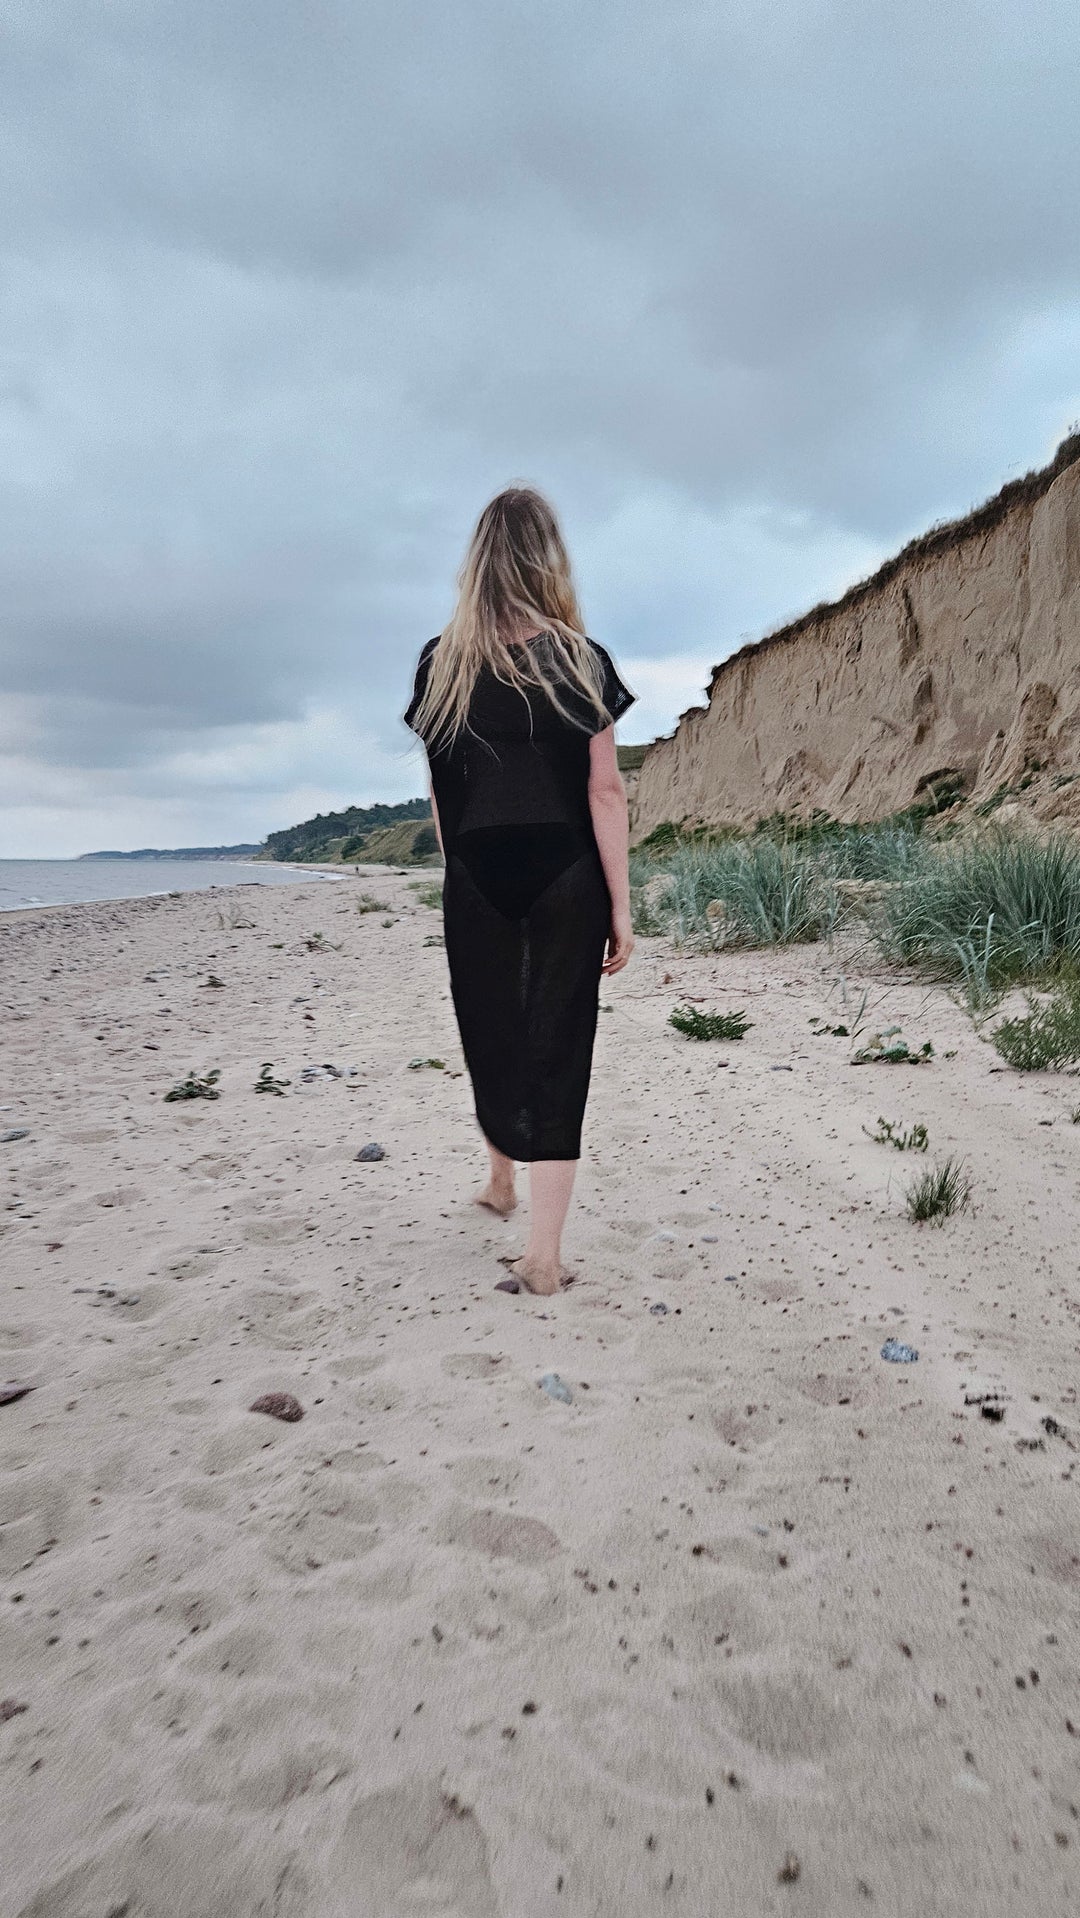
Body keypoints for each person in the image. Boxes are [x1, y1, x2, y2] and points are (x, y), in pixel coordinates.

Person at [403, 486, 637, 1295]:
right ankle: (542, 1254)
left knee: (491, 1029)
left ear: (477, 562)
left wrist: (462, 871)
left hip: (476, 872)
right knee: (559, 1044)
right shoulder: (582, 658)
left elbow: (442, 796)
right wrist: (620, 907)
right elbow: (605, 792)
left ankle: (503, 1179)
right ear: (548, 558)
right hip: (567, 872)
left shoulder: (442, 664)